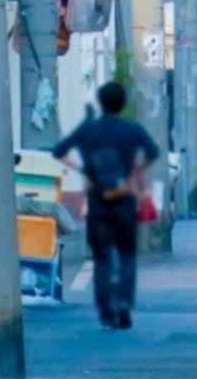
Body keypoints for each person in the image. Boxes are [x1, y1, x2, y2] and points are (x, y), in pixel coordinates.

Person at [53, 81, 160, 331]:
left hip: (97, 200)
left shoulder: (89, 129)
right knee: (126, 254)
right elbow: (152, 152)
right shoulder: (132, 129)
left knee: (101, 257)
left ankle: (105, 311)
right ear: (123, 103)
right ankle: (123, 303)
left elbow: (59, 151)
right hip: (124, 199)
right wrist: (135, 172)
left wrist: (85, 171)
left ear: (100, 102)